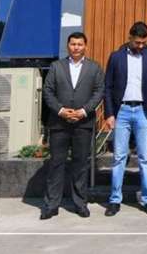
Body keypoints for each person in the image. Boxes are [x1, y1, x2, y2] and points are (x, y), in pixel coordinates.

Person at [41, 32, 105, 219]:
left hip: (83, 123)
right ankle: (51, 205)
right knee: (56, 164)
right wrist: (61, 110)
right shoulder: (56, 66)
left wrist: (84, 111)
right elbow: (48, 91)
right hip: (59, 123)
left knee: (80, 165)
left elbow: (99, 91)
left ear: (85, 46)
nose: (76, 47)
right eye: (73, 44)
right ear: (68, 46)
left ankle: (80, 204)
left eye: (80, 44)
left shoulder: (94, 67)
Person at [103, 22, 147, 216]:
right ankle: (114, 200)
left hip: (144, 111)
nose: (140, 46)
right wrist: (109, 114)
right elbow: (108, 87)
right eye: (137, 42)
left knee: (145, 158)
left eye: (143, 43)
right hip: (122, 111)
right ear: (130, 37)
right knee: (119, 157)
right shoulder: (116, 57)